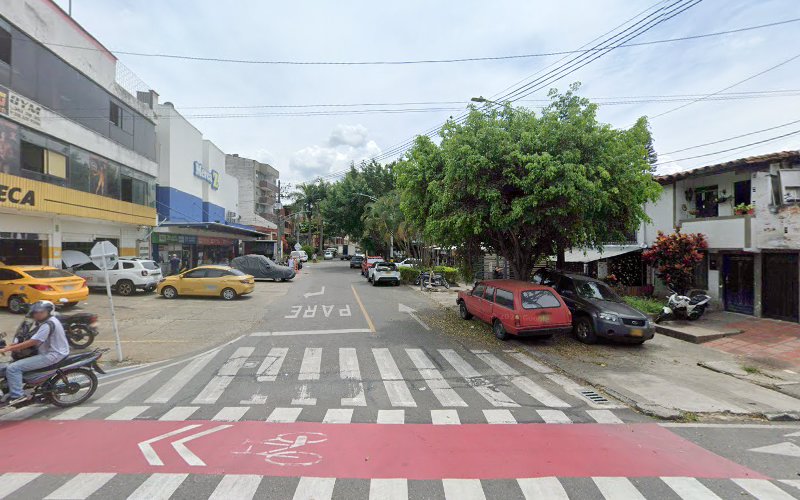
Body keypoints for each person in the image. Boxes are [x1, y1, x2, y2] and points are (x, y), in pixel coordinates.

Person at [0, 301, 70, 406]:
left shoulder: (48, 324)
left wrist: (8, 349)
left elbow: (33, 341)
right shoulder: (47, 321)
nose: (37, 314)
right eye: (35, 312)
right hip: (51, 351)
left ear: (48, 312)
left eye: (41, 312)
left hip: (52, 355)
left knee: (13, 368)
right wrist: (13, 345)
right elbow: (30, 336)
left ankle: (18, 396)